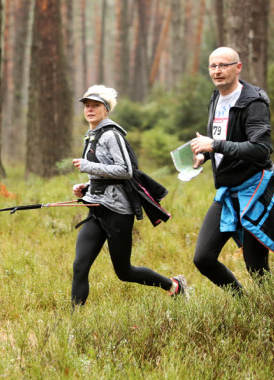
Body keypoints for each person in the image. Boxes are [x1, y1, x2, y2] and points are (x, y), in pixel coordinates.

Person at [70, 84, 187, 307]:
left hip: (117, 212)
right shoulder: (92, 135)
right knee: (79, 266)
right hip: (97, 209)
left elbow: (126, 170)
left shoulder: (112, 134)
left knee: (124, 272)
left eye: (95, 105)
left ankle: (175, 286)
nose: (90, 109)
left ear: (106, 110)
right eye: (87, 105)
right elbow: (103, 172)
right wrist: (85, 186)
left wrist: (87, 166)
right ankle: (74, 324)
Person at [190, 47, 274, 293]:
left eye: (224, 65)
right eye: (213, 66)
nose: (218, 71)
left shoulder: (253, 102)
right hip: (227, 191)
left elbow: (260, 149)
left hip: (254, 190)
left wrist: (214, 145)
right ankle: (242, 301)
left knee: (255, 265)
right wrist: (205, 155)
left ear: (238, 67)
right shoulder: (216, 97)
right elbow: (227, 139)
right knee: (203, 258)